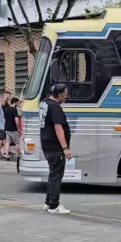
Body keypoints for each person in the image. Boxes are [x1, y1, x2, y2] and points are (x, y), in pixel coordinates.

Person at [40, 84, 72, 215]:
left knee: (52, 175)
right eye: (65, 94)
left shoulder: (45, 102)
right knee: (56, 177)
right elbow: (58, 129)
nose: (66, 97)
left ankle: (48, 202)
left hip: (47, 144)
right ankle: (54, 206)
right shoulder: (55, 107)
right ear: (59, 95)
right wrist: (65, 148)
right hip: (55, 147)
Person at [4, 96, 21, 163]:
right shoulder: (14, 110)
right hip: (13, 129)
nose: (18, 104)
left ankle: (7, 155)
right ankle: (19, 155)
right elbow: (16, 119)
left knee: (7, 142)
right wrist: (18, 128)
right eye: (18, 103)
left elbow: (5, 119)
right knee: (17, 142)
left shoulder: (6, 109)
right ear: (15, 102)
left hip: (7, 128)